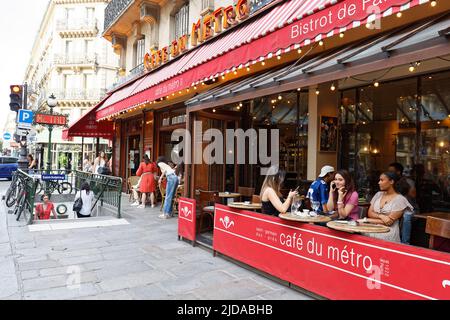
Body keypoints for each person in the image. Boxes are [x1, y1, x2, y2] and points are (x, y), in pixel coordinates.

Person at [359, 172, 413, 243]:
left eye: (382, 180)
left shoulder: (400, 199)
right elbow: (370, 213)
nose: (379, 182)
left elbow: (388, 222)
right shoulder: (378, 194)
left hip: (387, 234)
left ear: (391, 181)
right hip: (371, 229)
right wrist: (382, 216)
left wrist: (366, 220)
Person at [396, 178, 418, 244]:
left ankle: (405, 243)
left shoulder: (409, 182)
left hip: (413, 211)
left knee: (406, 215)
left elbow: (413, 194)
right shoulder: (397, 195)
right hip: (400, 211)